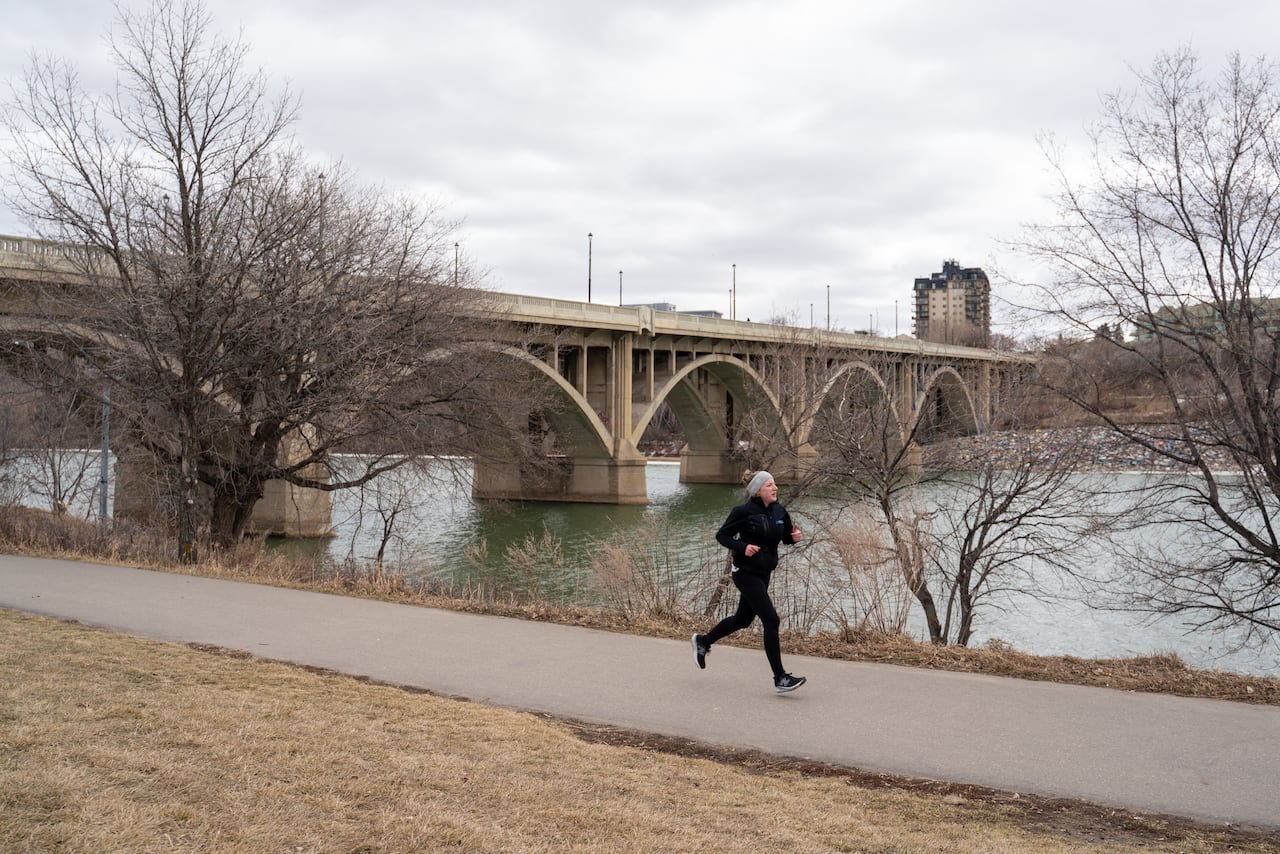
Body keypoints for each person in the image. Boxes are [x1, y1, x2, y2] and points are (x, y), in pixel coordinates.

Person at [692, 470, 806, 693]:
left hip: (764, 571)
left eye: (775, 484)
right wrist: (742, 547)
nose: (775, 488)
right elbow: (722, 536)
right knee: (771, 620)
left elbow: (782, 537)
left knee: (742, 620)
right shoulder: (743, 512)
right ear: (758, 491)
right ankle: (780, 677)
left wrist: (793, 538)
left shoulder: (780, 510)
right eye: (769, 485)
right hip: (744, 572)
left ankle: (703, 642)